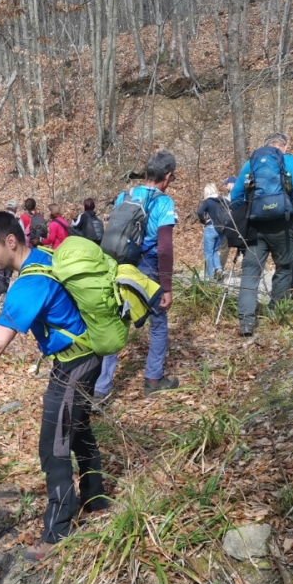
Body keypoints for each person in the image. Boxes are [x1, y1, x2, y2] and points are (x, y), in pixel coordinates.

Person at [0, 210, 107, 563]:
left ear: (11, 242)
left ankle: (56, 533)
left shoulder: (29, 283)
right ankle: (96, 497)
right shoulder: (45, 256)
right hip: (85, 356)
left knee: (53, 446)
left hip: (74, 363)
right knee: (78, 428)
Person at [94, 150, 180, 398]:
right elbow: (164, 247)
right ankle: (153, 380)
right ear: (168, 176)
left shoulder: (125, 195)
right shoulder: (164, 202)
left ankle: (100, 390)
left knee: (117, 322)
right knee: (158, 322)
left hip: (118, 265)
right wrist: (166, 286)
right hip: (148, 267)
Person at [229, 132, 293, 337]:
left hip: (256, 226)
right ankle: (276, 312)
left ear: (265, 146)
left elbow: (235, 196)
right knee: (284, 267)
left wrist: (246, 212)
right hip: (283, 225)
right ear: (284, 146)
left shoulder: (251, 163)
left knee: (250, 271)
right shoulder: (292, 163)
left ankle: (246, 322)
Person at [194, 183, 229, 280]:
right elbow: (232, 207)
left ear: (207, 192)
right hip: (222, 229)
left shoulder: (208, 201)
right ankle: (218, 269)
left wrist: (203, 221)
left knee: (208, 252)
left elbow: (200, 212)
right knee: (215, 250)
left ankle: (209, 276)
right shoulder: (223, 200)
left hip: (210, 228)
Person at [0, 202, 19, 295]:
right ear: (15, 209)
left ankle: (2, 293)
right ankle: (4, 293)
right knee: (7, 273)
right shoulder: (17, 220)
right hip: (10, 249)